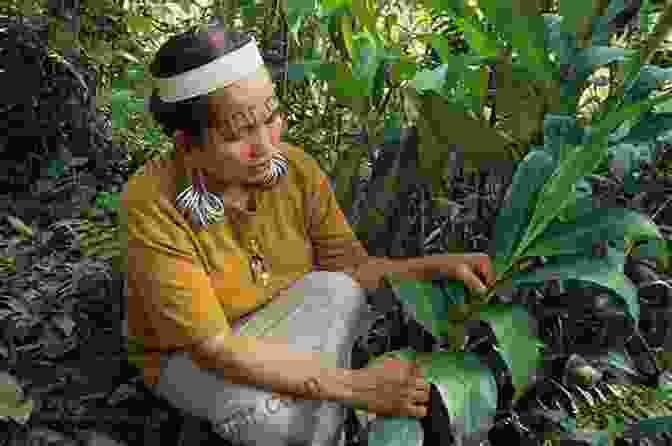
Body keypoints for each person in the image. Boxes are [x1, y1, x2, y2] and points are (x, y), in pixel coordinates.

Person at [119, 19, 497, 446]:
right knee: (272, 419)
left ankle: (316, 423)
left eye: (271, 117)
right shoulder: (152, 203)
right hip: (187, 354)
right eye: (238, 132)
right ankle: (326, 426)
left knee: (339, 289)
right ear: (188, 144)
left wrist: (434, 266)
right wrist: (356, 387)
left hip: (284, 323)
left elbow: (352, 271)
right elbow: (214, 348)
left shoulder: (294, 171)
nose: (266, 145)